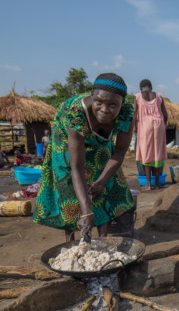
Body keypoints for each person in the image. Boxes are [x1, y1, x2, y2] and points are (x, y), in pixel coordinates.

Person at [33, 73, 135, 242]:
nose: (104, 109)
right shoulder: (76, 113)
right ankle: (72, 242)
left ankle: (103, 240)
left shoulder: (126, 115)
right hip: (66, 139)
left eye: (112, 105)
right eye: (99, 102)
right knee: (69, 185)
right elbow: (76, 167)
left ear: (122, 104)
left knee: (108, 182)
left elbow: (119, 153)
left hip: (100, 143)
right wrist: (87, 212)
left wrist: (101, 182)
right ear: (91, 95)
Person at [134, 79, 168, 190]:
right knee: (157, 153)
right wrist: (164, 125)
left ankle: (148, 184)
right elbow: (165, 114)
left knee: (147, 153)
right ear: (151, 87)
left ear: (141, 88)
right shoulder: (158, 96)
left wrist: (135, 127)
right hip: (159, 125)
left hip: (145, 126)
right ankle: (157, 184)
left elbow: (134, 114)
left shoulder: (138, 97)